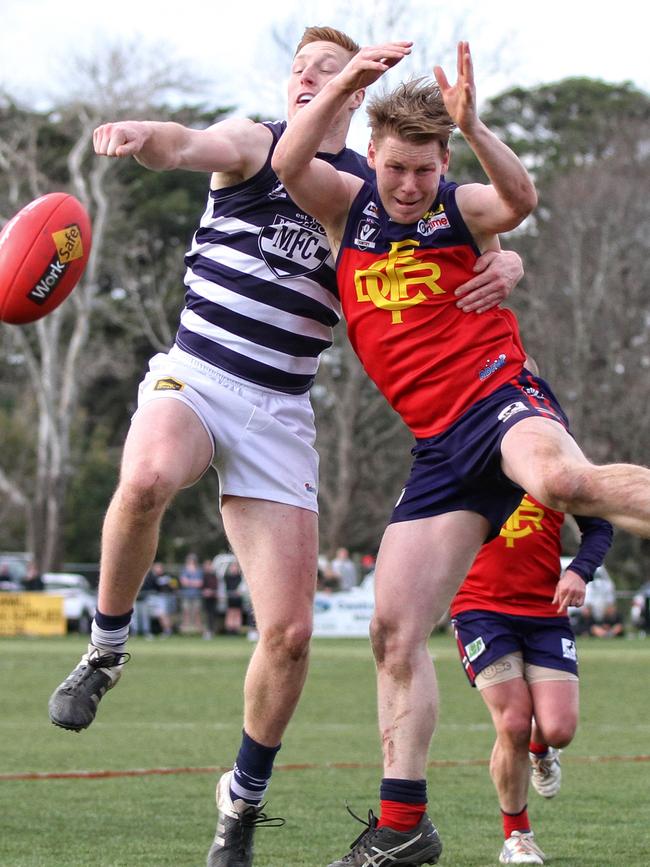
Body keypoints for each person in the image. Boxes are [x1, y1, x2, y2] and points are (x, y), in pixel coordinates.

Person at [47, 26, 524, 867]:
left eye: (327, 71)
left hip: (278, 410)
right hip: (197, 375)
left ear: (356, 94)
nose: (306, 78)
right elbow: (186, 143)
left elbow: (462, 226)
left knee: (292, 635)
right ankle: (106, 648)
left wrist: (507, 261)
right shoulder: (257, 146)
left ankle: (238, 808)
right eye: (298, 69)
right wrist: (139, 136)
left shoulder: (374, 190)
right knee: (150, 469)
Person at [272, 39, 650, 866]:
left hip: (499, 395)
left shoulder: (457, 207)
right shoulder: (347, 206)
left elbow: (519, 196)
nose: (411, 186)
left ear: (444, 161)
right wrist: (344, 81)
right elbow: (289, 159)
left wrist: (474, 125)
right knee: (393, 627)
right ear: (372, 156)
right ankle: (403, 828)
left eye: (426, 168)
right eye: (398, 168)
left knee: (558, 480)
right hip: (439, 446)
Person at [450, 494, 613, 864]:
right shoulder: (471, 460)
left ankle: (541, 751)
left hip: (546, 612)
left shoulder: (554, 468)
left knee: (558, 729)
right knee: (513, 721)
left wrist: (578, 571)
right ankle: (517, 837)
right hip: (480, 609)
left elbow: (599, 526)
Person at [179, 553, 204, 633]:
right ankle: (185, 629)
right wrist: (194, 583)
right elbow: (183, 582)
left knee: (197, 611)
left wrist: (189, 582)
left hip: (196, 595)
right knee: (186, 611)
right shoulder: (184, 570)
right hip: (186, 595)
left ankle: (199, 629)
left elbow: (200, 583)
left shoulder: (199, 570)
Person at [201, 558, 222, 639]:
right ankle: (206, 631)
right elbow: (201, 585)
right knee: (206, 615)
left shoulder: (214, 575)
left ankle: (211, 631)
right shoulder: (203, 575)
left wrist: (211, 592)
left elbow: (216, 585)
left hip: (213, 598)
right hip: (204, 599)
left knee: (212, 615)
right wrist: (204, 591)